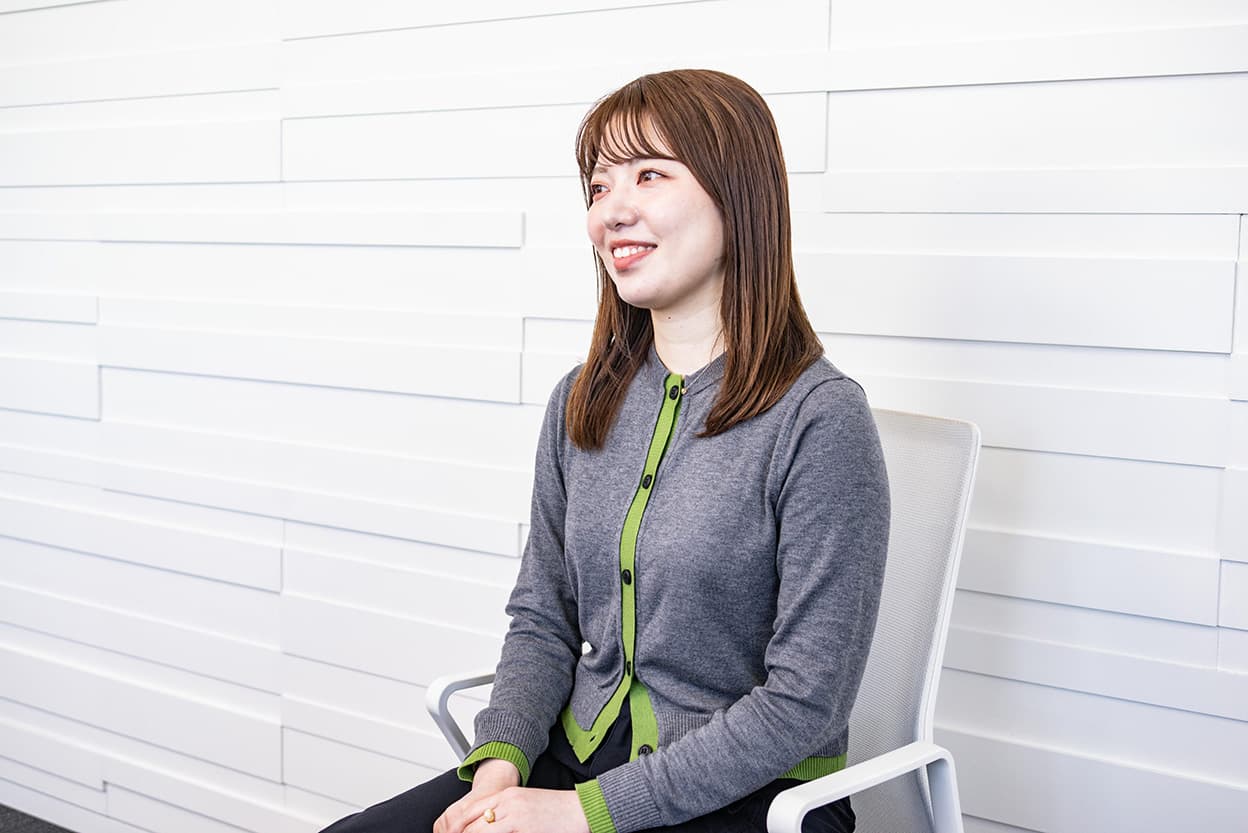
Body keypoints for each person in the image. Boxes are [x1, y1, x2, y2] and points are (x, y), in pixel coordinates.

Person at [318, 68, 889, 833]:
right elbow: (542, 619)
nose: (610, 211)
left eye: (649, 174)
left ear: (738, 193)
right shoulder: (582, 400)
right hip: (576, 763)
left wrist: (582, 814)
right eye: (597, 186)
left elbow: (803, 702)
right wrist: (500, 768)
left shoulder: (820, 418)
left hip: (755, 796)